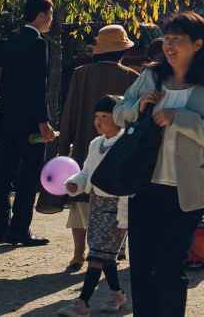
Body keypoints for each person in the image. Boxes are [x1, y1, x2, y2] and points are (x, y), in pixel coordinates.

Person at [113, 11, 204, 317]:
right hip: (144, 185)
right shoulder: (151, 76)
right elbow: (118, 112)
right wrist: (136, 107)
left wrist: (179, 119)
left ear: (197, 44)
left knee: (168, 270)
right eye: (167, 39)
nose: (170, 46)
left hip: (187, 192)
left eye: (177, 40)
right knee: (140, 269)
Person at [56, 24, 139, 270]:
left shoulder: (81, 74)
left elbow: (69, 112)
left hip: (84, 144)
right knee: (117, 202)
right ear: (122, 51)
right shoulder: (131, 77)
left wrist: (63, 148)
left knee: (80, 203)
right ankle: (110, 251)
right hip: (119, 150)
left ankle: (78, 254)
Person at [0, 0, 58, 247]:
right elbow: (37, 86)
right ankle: (20, 229)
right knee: (29, 175)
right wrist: (44, 120)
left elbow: (7, 83)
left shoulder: (11, 40)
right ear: (40, 16)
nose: (51, 21)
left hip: (8, 116)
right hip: (30, 121)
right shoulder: (38, 43)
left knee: (3, 173)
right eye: (49, 16)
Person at [56, 96, 130, 317]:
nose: (99, 122)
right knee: (103, 254)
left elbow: (129, 181)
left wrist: (125, 218)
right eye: (96, 117)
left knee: (98, 255)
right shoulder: (95, 144)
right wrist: (75, 183)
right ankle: (118, 295)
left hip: (117, 206)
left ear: (119, 118)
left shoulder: (126, 143)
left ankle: (82, 303)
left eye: (105, 117)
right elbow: (87, 171)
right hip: (97, 203)